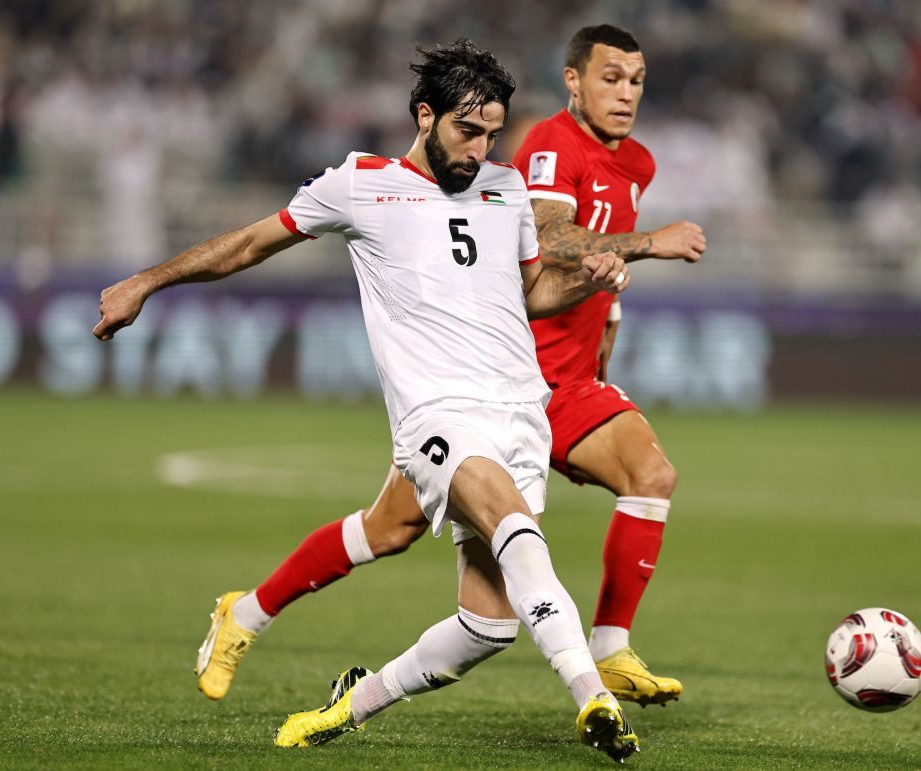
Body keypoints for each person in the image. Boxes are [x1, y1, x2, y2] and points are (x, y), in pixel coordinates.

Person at [94, 39, 639, 762]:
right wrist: (144, 282)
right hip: (437, 415)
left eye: (490, 134)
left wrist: (592, 276)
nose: (479, 149)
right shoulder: (362, 184)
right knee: (514, 528)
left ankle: (339, 693)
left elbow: (532, 293)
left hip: (518, 410)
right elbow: (250, 244)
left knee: (487, 624)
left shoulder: (506, 189)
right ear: (424, 115)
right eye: (465, 131)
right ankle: (590, 695)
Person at [192, 24, 706, 711]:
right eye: (610, 77)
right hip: (524, 383)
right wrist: (646, 244)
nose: (626, 92)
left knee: (393, 532)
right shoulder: (549, 147)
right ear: (573, 80)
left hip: (522, 384)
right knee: (630, 484)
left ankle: (254, 618)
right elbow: (554, 235)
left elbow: (543, 273)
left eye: (637, 80)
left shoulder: (624, 164)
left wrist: (604, 289)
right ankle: (600, 666)